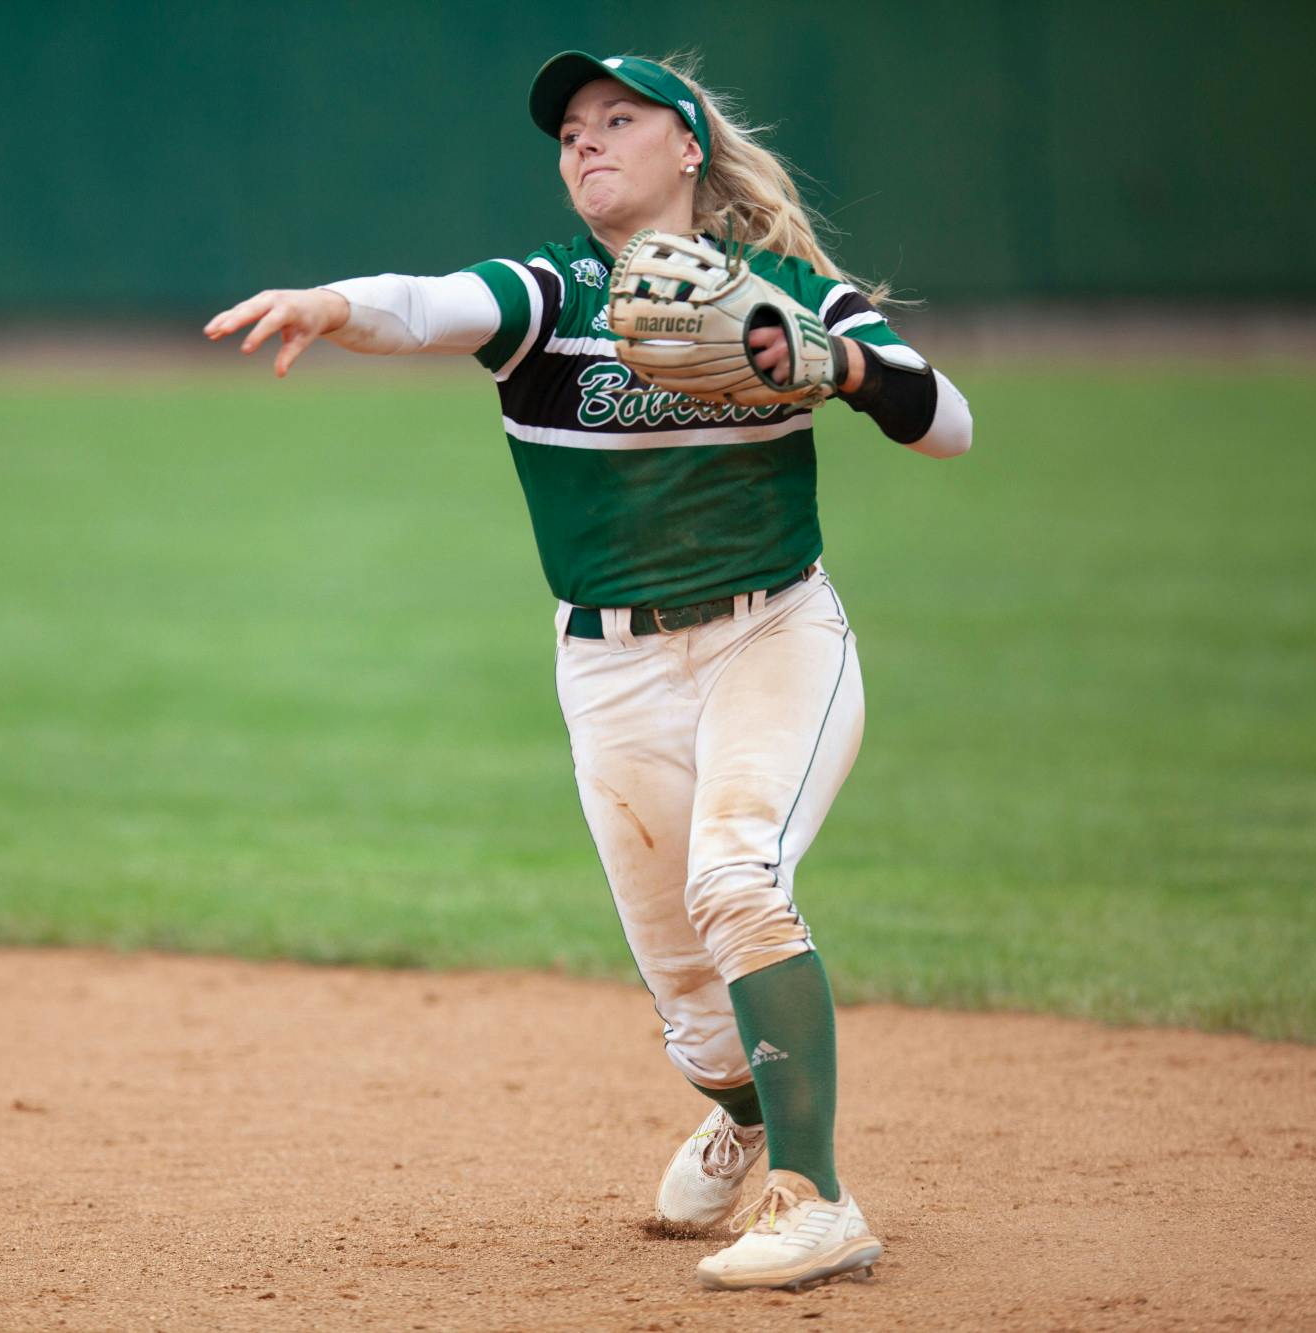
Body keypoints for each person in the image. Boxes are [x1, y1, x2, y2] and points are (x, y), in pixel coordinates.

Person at [204, 49, 971, 1293]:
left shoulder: (782, 293)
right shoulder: (549, 294)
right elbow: (420, 303)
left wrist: (838, 366)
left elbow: (948, 424)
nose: (586, 142)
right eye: (569, 130)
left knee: (737, 878)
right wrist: (333, 304)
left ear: (688, 150)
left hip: (769, 634)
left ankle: (816, 1199)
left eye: (618, 120)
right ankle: (742, 1115)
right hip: (606, 668)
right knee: (685, 995)